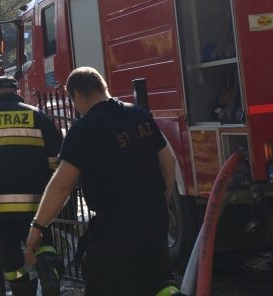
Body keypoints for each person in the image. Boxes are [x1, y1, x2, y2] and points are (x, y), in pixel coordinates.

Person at [24, 67, 177, 296]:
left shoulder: (85, 129)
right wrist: (161, 203)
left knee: (105, 283)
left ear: (77, 94)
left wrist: (37, 227)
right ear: (103, 87)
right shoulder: (139, 115)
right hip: (155, 219)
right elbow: (169, 161)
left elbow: (62, 186)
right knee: (155, 283)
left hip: (116, 228)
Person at [0, 76, 63, 296]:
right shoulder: (37, 116)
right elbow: (57, 160)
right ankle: (48, 275)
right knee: (43, 242)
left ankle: (22, 290)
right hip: (36, 200)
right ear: (16, 90)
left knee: (9, 253)